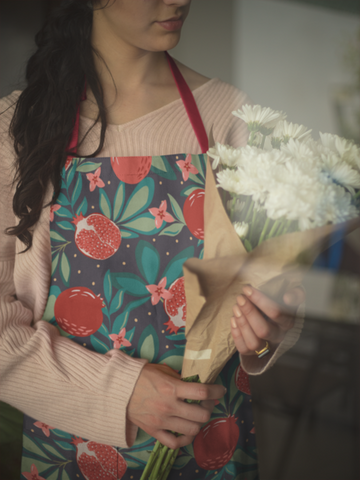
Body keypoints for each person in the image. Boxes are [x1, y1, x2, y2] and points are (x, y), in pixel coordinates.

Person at [0, 1, 304, 478]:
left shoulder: (236, 119)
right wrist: (119, 393)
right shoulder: (17, 128)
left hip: (213, 447)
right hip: (70, 448)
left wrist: (267, 335)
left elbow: (269, 293)